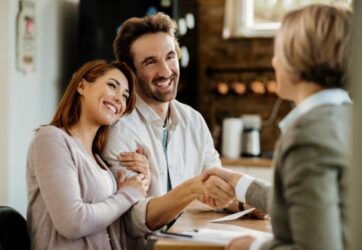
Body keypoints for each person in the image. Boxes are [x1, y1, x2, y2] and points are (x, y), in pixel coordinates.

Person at [203, 4, 352, 250]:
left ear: (298, 58)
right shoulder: (349, 118)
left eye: (278, 51)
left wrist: (253, 247)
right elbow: (309, 205)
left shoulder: (309, 135)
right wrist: (240, 183)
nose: (273, 61)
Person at [101, 12, 255, 243]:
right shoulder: (119, 129)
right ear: (129, 71)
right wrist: (193, 188)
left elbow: (214, 191)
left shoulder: (193, 121)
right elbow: (131, 221)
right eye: (151, 62)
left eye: (170, 57)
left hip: (190, 240)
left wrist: (245, 205)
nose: (166, 71)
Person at [26, 60, 150, 250]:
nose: (119, 99)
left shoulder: (97, 159)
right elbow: (73, 222)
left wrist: (141, 182)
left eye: (125, 96)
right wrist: (128, 194)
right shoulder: (51, 139)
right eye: (112, 86)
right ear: (82, 86)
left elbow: (111, 218)